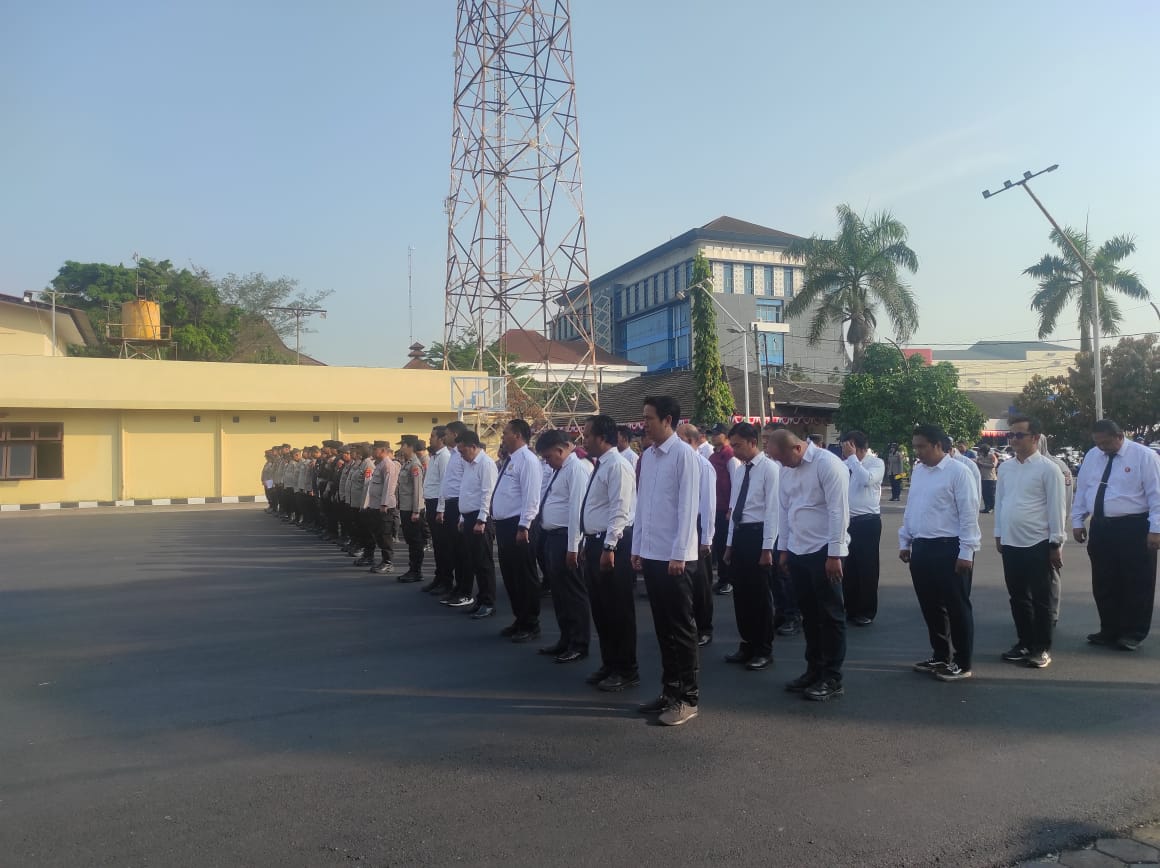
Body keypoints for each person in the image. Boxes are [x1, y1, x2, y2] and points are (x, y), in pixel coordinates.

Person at [632, 396, 702, 726]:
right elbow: (642, 505)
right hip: (652, 554)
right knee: (663, 629)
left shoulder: (684, 456)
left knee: (681, 629)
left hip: (676, 559)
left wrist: (678, 554)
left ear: (668, 420)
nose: (643, 423)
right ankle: (669, 691)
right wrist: (637, 547)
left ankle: (688, 698)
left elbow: (688, 508)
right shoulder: (648, 456)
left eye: (649, 418)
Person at [769, 429, 850, 701]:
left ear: (796, 448)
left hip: (825, 551)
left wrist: (835, 554)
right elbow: (784, 510)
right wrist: (783, 550)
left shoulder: (828, 464)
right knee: (810, 616)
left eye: (782, 458)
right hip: (797, 550)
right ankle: (814, 670)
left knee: (831, 616)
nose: (781, 464)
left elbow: (839, 510)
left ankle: (832, 678)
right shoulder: (786, 470)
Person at [900, 425, 981, 682]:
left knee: (957, 607)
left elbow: (969, 513)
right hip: (922, 546)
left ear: (937, 445)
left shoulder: (959, 472)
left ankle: (962, 662)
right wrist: (905, 539)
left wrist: (966, 551)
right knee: (930, 606)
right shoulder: (919, 471)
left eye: (921, 446)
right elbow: (913, 507)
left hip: (950, 547)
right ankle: (940, 655)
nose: (917, 452)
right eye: (915, 446)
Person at [1071, 419, 1160, 651]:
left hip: (1134, 526)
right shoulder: (1093, 455)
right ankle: (1109, 629)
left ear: (1120, 436)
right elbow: (1084, 489)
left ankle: (1133, 632)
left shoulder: (1145, 457)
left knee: (1137, 582)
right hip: (1101, 526)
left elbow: (1157, 495)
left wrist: (1156, 529)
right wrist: (1077, 521)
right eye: (1098, 443)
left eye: (1106, 443)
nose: (1102, 448)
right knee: (1104, 581)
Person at [995, 415, 1066, 669]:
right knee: (1017, 597)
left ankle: (1041, 648)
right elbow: (1000, 501)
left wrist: (1056, 543)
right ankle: (1024, 642)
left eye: (1019, 435)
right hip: (1011, 542)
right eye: (1010, 435)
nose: (1013, 439)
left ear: (1035, 438)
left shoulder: (1049, 469)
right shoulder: (1006, 468)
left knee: (1041, 599)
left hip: (1038, 542)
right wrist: (999, 533)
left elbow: (1057, 508)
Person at [574, 415, 638, 691]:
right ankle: (610, 663)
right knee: (601, 609)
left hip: (612, 545)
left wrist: (609, 546)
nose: (584, 439)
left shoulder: (618, 465)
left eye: (588, 435)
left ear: (602, 437)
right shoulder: (601, 464)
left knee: (618, 609)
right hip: (595, 542)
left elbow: (620, 509)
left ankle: (626, 669)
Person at [722, 422, 779, 670]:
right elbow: (735, 509)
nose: (734, 450)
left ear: (752, 442)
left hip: (759, 535)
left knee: (759, 596)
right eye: (732, 445)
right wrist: (729, 544)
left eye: (737, 445)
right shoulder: (739, 470)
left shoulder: (769, 469)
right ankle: (747, 643)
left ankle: (763, 648)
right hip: (741, 535)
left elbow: (773, 510)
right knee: (741, 594)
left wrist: (767, 549)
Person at [535, 429, 593, 663]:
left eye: (549, 457)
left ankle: (579, 643)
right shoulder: (561, 469)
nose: (547, 462)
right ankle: (565, 638)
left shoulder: (576, 469)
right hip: (553, 536)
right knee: (559, 593)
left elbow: (577, 511)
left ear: (560, 450)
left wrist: (573, 547)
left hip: (566, 538)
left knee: (573, 593)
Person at [491, 419, 544, 642]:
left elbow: (532, 497)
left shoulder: (528, 460)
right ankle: (519, 618)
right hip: (505, 526)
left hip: (520, 526)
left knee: (524, 576)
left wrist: (524, 526)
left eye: (506, 433)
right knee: (511, 575)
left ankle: (531, 623)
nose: (502, 436)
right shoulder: (511, 460)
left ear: (518, 435)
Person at [840, 430, 884, 626]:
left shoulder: (876, 463)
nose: (843, 451)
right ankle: (850, 608)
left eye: (846, 446)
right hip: (847, 522)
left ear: (855, 446)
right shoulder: (845, 464)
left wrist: (852, 459)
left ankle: (866, 610)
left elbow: (866, 480)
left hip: (867, 522)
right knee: (849, 568)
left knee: (867, 567)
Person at [679, 424, 716, 646]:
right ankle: (686, 624)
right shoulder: (677, 462)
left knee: (701, 581)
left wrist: (706, 539)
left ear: (692, 441)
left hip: (699, 525)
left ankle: (704, 627)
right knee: (682, 580)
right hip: (680, 524)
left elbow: (709, 504)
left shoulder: (703, 465)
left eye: (680, 439)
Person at [456, 430, 499, 619]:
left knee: (483, 563)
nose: (461, 455)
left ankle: (488, 603)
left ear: (473, 447)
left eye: (463, 451)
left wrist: (481, 519)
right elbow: (466, 491)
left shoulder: (486, 464)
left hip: (480, 519)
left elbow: (487, 493)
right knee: (474, 562)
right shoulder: (469, 464)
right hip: (469, 517)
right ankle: (480, 599)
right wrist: (462, 517)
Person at [762, 423, 801, 636]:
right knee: (774, 576)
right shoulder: (766, 462)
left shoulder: (787, 464)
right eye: (763, 438)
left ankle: (793, 615)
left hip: (788, 527)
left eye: (769, 438)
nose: (765, 442)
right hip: (772, 526)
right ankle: (781, 612)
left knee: (786, 575)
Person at [1038, 433, 1073, 626]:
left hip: (1052, 528)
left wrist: (1060, 526)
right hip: (1028, 531)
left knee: (1051, 572)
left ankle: (1051, 613)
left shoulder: (1057, 467)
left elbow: (1065, 500)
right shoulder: (1020, 466)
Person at [436, 421, 471, 605]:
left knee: (463, 550)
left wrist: (462, 513)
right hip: (450, 505)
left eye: (447, 433)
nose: (445, 437)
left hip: (459, 505)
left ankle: (465, 591)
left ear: (455, 435)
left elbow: (466, 483)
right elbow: (447, 482)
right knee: (454, 550)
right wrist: (442, 507)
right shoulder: (453, 455)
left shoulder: (463, 456)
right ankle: (458, 588)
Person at [707, 422, 740, 597]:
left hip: (726, 509)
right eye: (712, 433)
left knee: (726, 546)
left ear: (725, 435)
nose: (713, 436)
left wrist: (731, 508)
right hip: (716, 507)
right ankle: (722, 579)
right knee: (718, 546)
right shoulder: (713, 456)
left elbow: (736, 484)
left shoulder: (730, 456)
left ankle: (729, 580)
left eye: (716, 433)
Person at [422, 426, 453, 595]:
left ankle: (446, 580)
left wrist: (441, 509)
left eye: (432, 436)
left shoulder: (445, 457)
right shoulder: (434, 456)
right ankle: (439, 577)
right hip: (431, 503)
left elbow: (444, 484)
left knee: (443, 545)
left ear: (441, 439)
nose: (430, 439)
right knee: (437, 544)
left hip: (438, 505)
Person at [395, 436, 426, 582]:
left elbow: (418, 490)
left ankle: (416, 571)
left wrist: (416, 511)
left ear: (410, 447)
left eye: (403, 445)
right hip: (405, 508)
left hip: (412, 510)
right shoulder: (406, 464)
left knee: (415, 541)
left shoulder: (415, 465)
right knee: (410, 540)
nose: (401, 448)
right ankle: (412, 569)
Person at [976, 445, 998, 513]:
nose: (981, 452)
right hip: (983, 478)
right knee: (985, 494)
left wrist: (982, 464)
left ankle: (992, 508)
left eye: (982, 451)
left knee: (991, 494)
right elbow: (977, 463)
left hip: (991, 478)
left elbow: (994, 465)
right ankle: (987, 508)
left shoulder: (992, 456)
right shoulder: (980, 457)